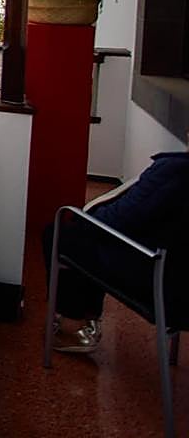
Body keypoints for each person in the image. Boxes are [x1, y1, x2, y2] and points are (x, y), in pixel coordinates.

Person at [46, 147, 189, 352]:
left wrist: (85, 218)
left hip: (161, 286)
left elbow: (116, 219)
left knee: (61, 234)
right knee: (92, 238)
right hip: (180, 286)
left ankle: (72, 327)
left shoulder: (175, 171)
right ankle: (89, 318)